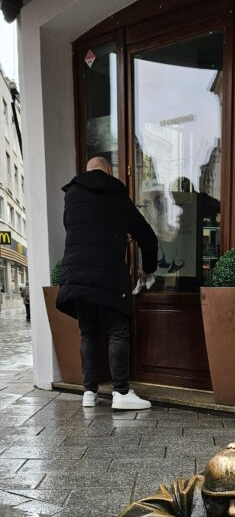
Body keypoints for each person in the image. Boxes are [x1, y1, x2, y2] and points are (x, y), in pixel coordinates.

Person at [56, 156, 158, 410]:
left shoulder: (71, 196)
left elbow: (78, 229)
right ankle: (121, 392)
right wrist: (147, 270)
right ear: (109, 172)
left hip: (75, 275)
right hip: (108, 274)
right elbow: (147, 236)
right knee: (117, 330)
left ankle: (89, 392)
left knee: (88, 333)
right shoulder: (116, 194)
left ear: (87, 172)